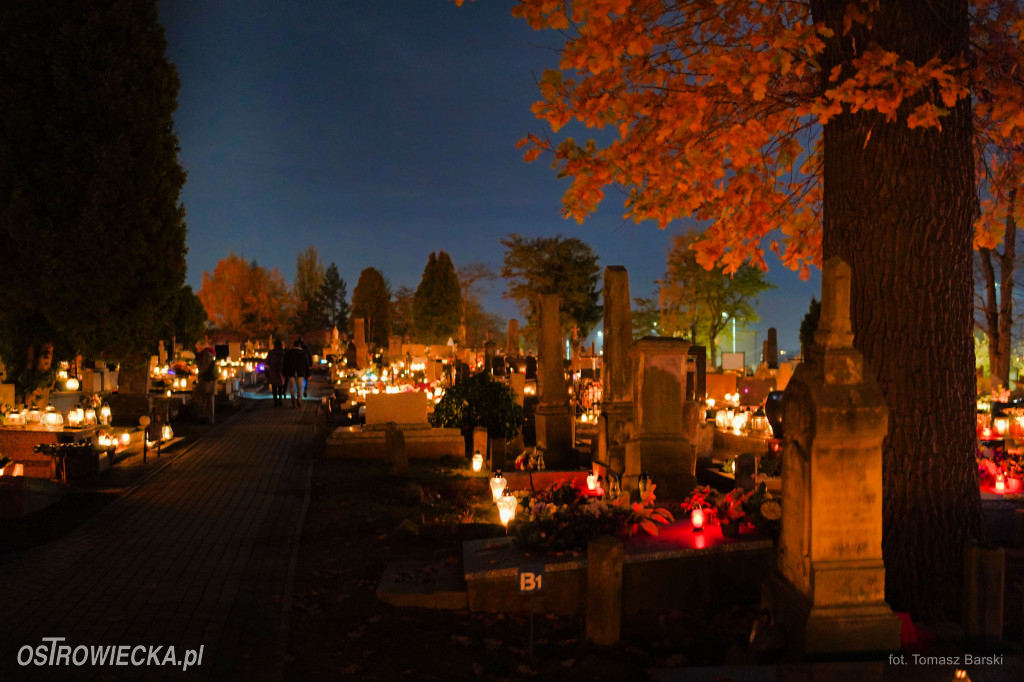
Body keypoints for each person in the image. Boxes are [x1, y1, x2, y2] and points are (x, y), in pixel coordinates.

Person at [194, 340, 217, 424]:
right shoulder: (209, 353)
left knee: (197, 395)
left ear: (201, 347)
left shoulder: (206, 354)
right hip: (209, 380)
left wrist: (197, 372)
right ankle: (209, 418)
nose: (197, 350)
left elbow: (204, 367)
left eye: (198, 348)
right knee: (209, 399)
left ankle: (202, 417)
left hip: (206, 380)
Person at [282, 339, 309, 408]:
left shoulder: (289, 353)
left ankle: (293, 400)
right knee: (300, 386)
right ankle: (299, 397)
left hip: (290, 372)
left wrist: (284, 373)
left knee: (292, 387)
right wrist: (308, 374)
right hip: (300, 372)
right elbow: (306, 364)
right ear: (299, 346)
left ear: (293, 346)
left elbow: (285, 364)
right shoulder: (303, 353)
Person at [266, 339, 286, 407]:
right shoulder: (283, 353)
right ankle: (280, 400)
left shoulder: (271, 352)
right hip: (281, 371)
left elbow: (267, 362)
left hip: (273, 371)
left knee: (274, 387)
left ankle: (275, 401)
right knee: (280, 387)